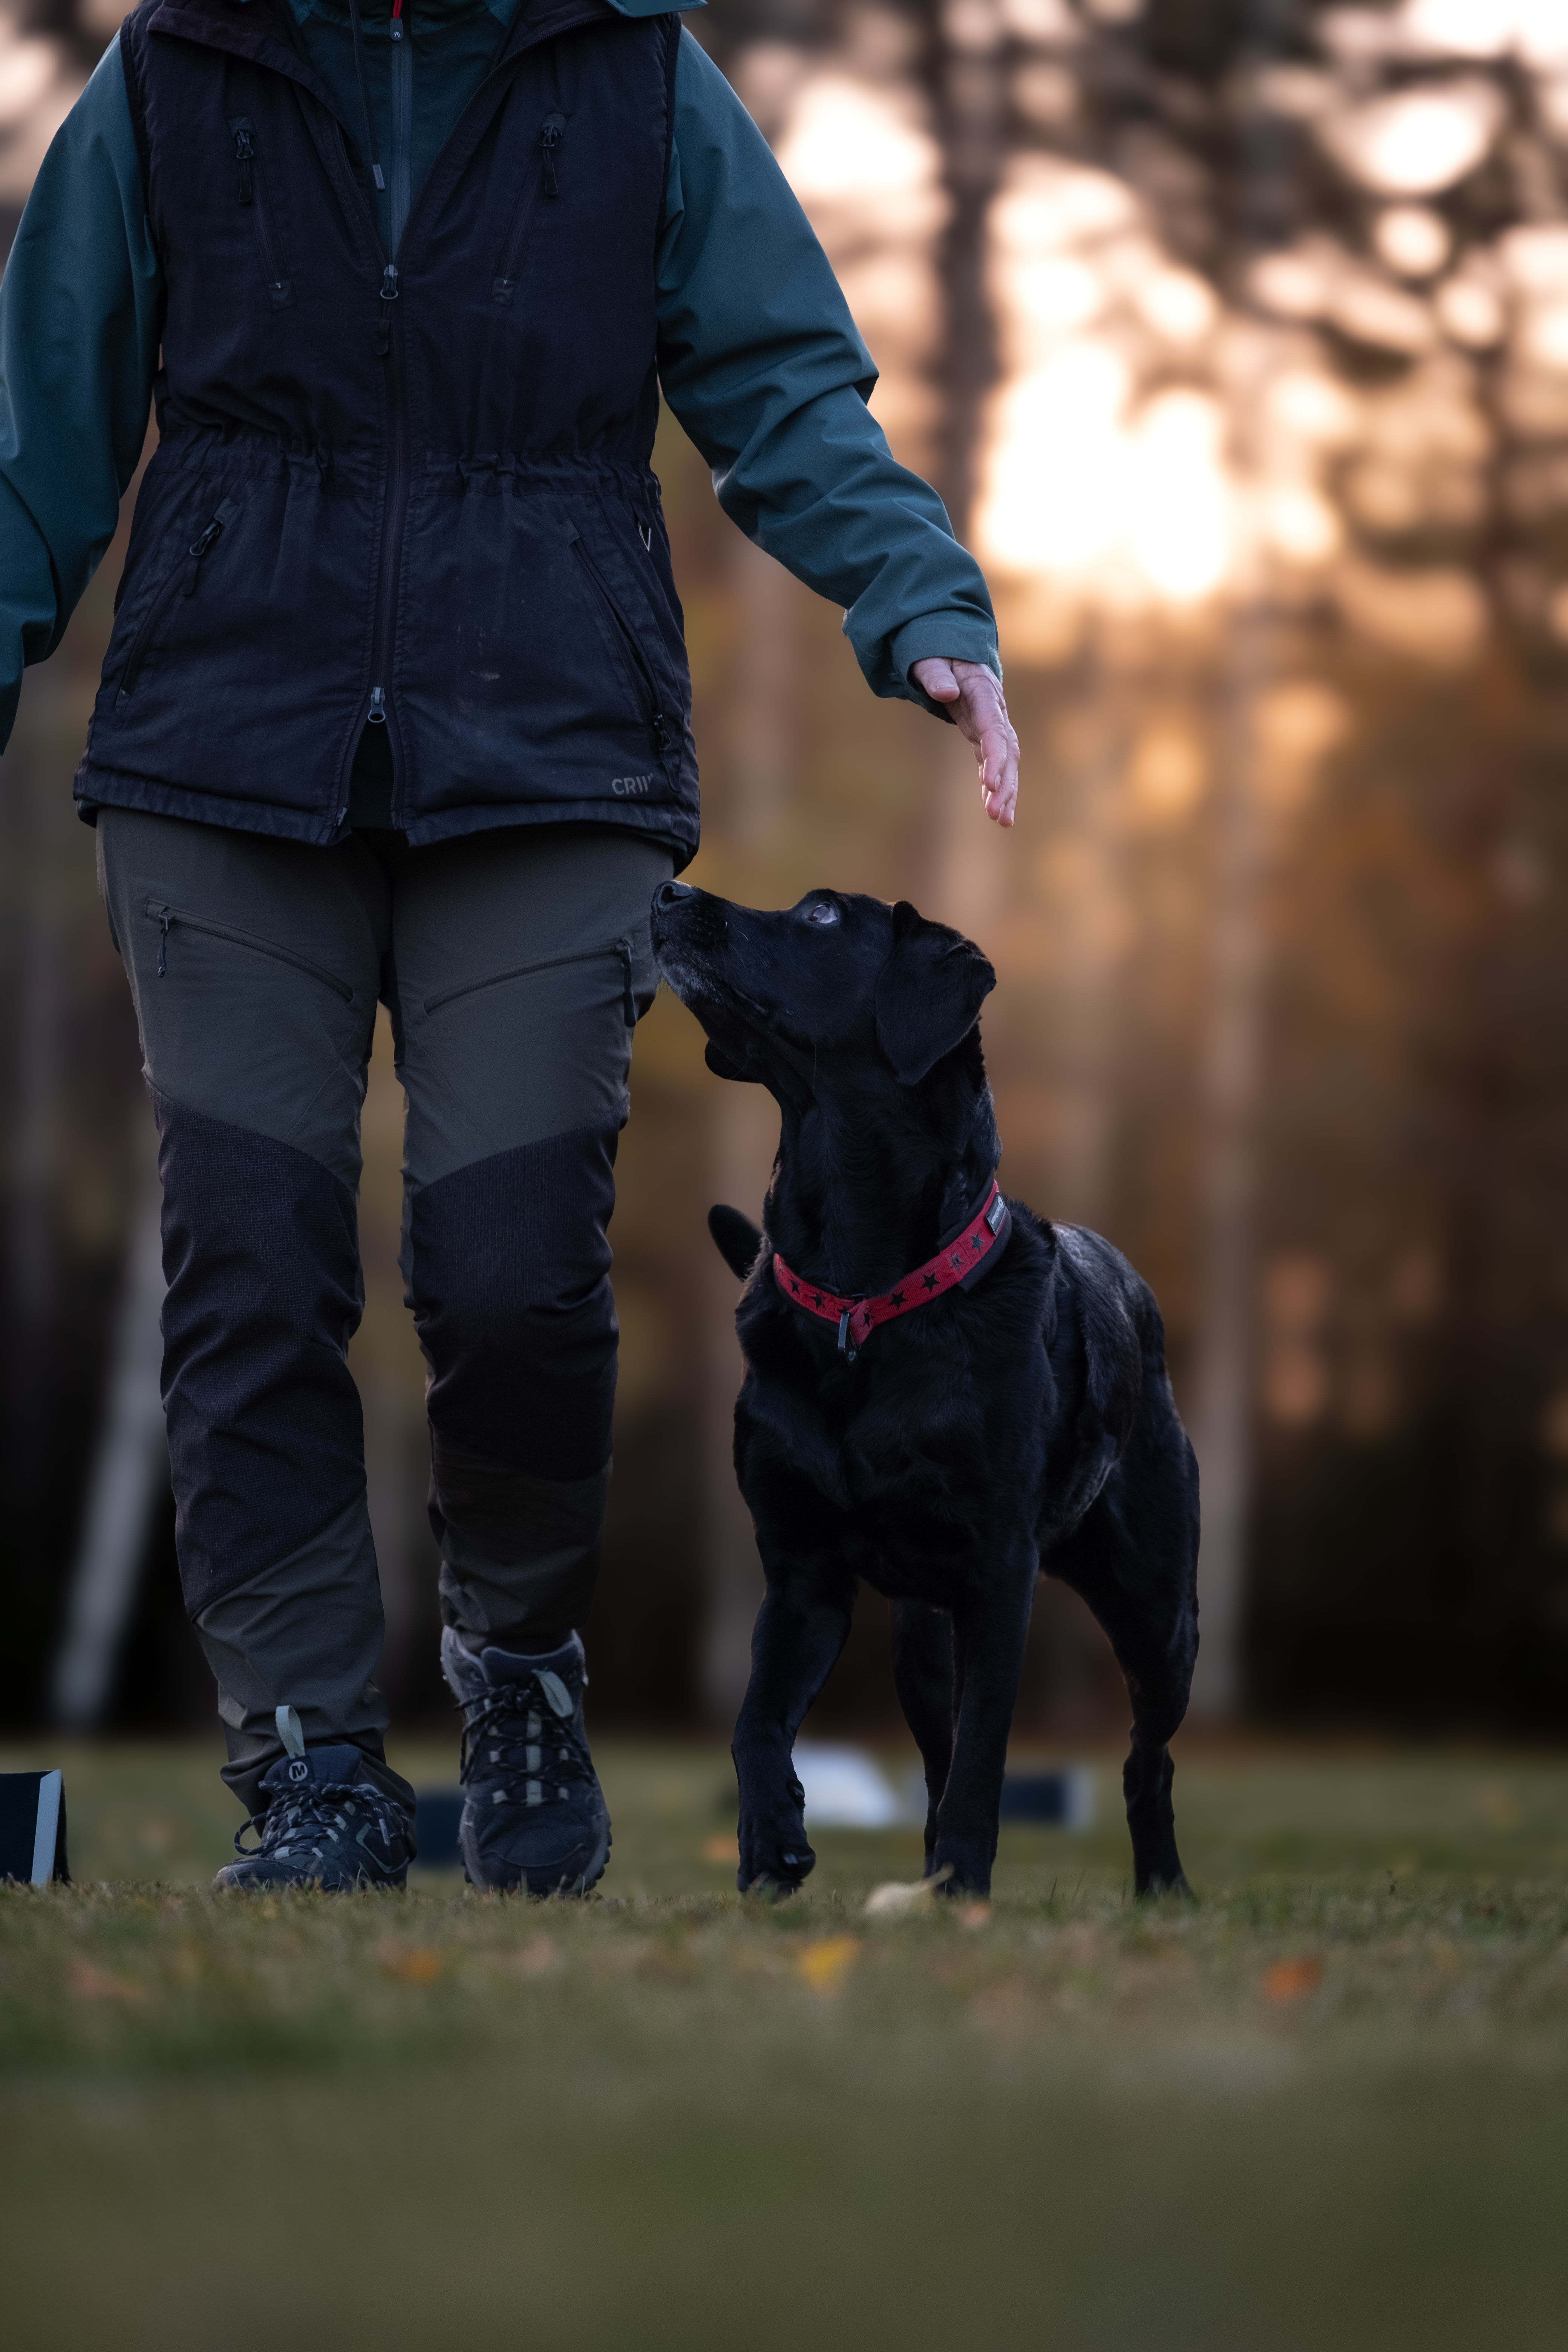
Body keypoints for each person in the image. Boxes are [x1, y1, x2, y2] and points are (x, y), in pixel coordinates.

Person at [0, 0, 1020, 1893]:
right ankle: (308, 1761)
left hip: (550, 751)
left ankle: (522, 1661)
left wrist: (918, 598)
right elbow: (31, 433)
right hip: (222, 753)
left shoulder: (636, 75)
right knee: (251, 1258)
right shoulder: (168, 73)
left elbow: (787, 386)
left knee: (512, 1274)